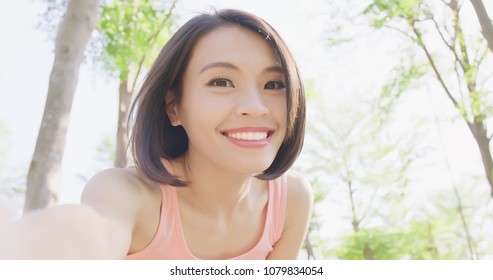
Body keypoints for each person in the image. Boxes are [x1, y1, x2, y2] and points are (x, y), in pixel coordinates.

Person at [0, 9, 312, 260]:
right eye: (221, 82)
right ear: (174, 107)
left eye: (274, 85)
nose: (255, 107)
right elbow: (92, 232)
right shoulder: (129, 194)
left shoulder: (291, 202)